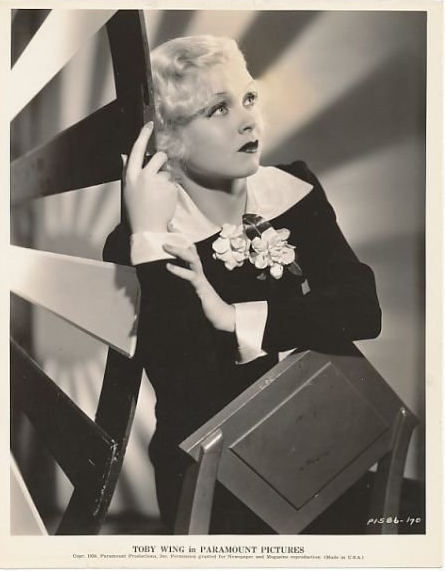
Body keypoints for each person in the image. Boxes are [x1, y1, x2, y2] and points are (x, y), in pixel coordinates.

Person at [103, 35, 382, 533]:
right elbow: (190, 391)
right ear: (166, 138)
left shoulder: (292, 189)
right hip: (211, 479)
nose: (249, 121)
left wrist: (235, 319)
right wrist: (149, 237)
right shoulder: (140, 242)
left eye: (249, 97)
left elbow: (362, 309)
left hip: (318, 450)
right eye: (218, 109)